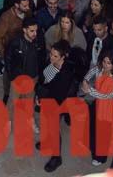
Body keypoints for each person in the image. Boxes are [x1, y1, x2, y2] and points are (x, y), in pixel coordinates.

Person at [37, 39, 79, 173]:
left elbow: (59, 92)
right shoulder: (50, 63)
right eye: (51, 54)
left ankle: (56, 157)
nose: (51, 57)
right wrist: (39, 97)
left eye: (55, 56)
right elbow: (43, 81)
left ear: (63, 56)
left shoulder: (66, 72)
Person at [79, 51, 113, 165]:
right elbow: (88, 74)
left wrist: (89, 90)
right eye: (104, 62)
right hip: (96, 104)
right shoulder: (98, 69)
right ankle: (91, 146)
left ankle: (100, 157)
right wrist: (85, 81)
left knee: (103, 134)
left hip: (106, 108)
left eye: (109, 63)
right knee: (92, 127)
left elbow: (108, 96)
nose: (106, 65)